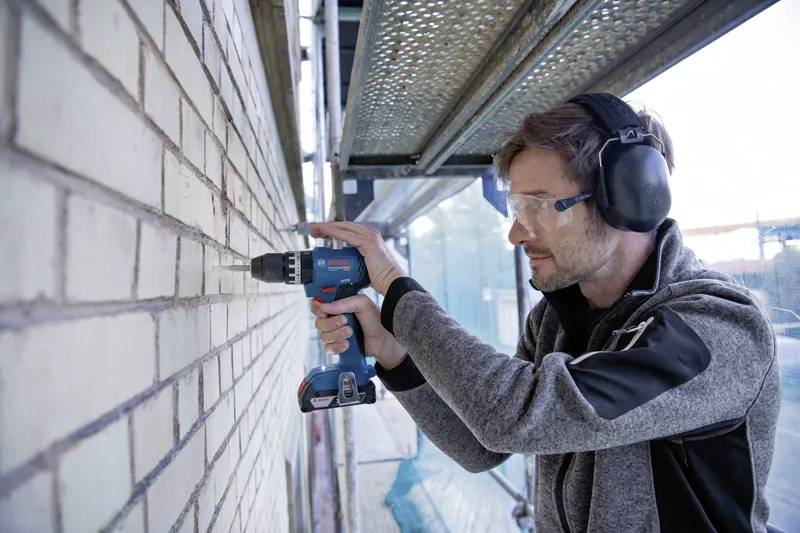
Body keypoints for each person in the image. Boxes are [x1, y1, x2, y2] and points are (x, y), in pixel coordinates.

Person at [309, 94, 779, 532]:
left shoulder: (717, 329)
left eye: (540, 206)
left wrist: (396, 287)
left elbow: (513, 415)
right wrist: (393, 352)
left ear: (628, 197)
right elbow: (484, 444)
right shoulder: (553, 319)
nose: (516, 234)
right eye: (517, 207)